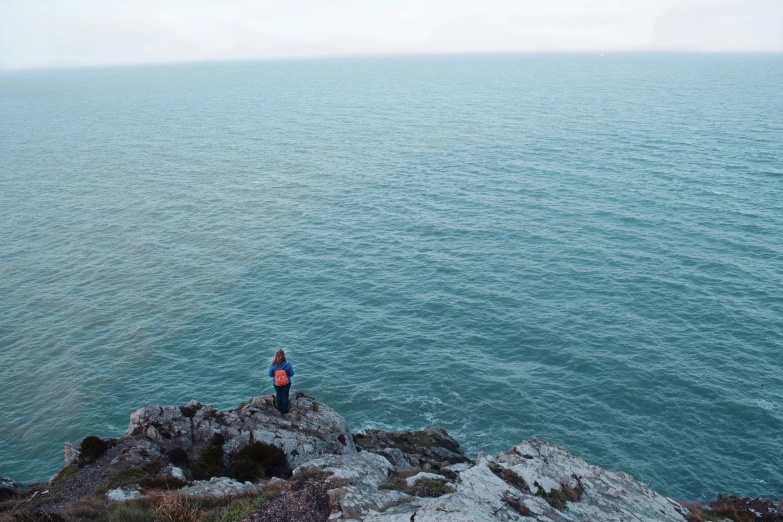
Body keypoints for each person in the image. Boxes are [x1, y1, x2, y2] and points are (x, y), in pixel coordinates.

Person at [268, 349, 294, 414]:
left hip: (276, 383)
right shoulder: (288, 364)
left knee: (279, 395)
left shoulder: (273, 365)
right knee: (285, 396)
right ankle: (285, 411)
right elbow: (292, 373)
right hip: (286, 383)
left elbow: (270, 374)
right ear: (284, 356)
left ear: (276, 356)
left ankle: (279, 409)